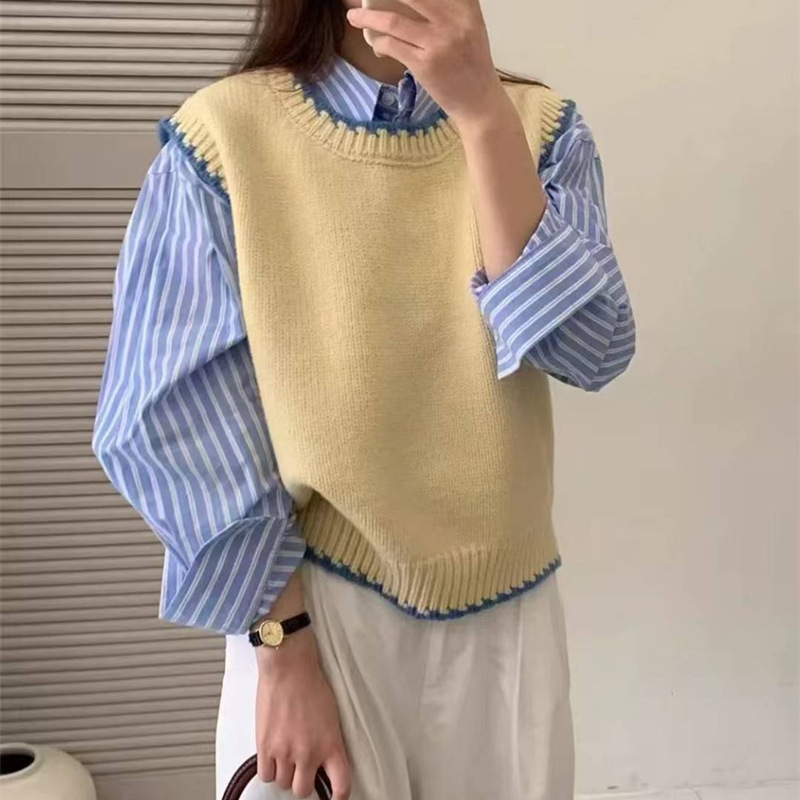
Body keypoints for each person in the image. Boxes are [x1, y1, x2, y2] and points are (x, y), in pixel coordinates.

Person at [92, 0, 636, 798]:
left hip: (510, 615)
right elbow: (169, 418)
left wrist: (482, 115)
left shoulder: (543, 127)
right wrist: (282, 648)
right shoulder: (224, 138)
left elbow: (590, 349)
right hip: (314, 604)